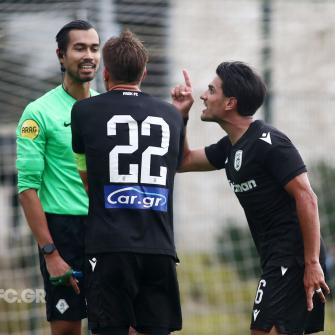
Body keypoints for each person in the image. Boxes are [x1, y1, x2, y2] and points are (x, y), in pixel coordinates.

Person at [171, 62, 330, 335]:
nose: (203, 96)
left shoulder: (271, 142)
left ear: (230, 102)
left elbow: (308, 198)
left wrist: (312, 263)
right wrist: (180, 116)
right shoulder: (230, 147)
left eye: (211, 90)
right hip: (274, 257)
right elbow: (183, 161)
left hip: (293, 256)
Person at [71, 30, 184, 335]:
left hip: (109, 246)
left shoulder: (83, 111)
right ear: (144, 72)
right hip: (159, 246)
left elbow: (86, 177)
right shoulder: (172, 116)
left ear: (105, 72)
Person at [16, 20, 100, 335]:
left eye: (94, 47)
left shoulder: (107, 107)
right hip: (63, 233)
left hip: (107, 228)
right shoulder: (38, 113)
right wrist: (50, 253)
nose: (89, 55)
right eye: (80, 48)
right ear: (61, 56)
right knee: (66, 329)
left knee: (120, 325)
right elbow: (27, 189)